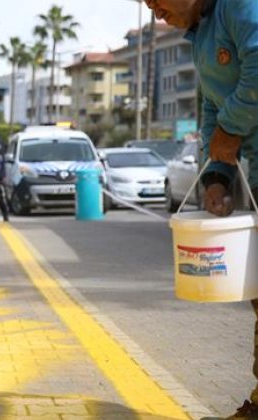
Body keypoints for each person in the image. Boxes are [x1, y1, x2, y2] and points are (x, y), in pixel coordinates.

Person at [144, 0, 258, 418]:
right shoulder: (201, 34)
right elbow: (212, 104)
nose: (155, 9)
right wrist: (216, 178)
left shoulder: (241, 5)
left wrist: (230, 129)